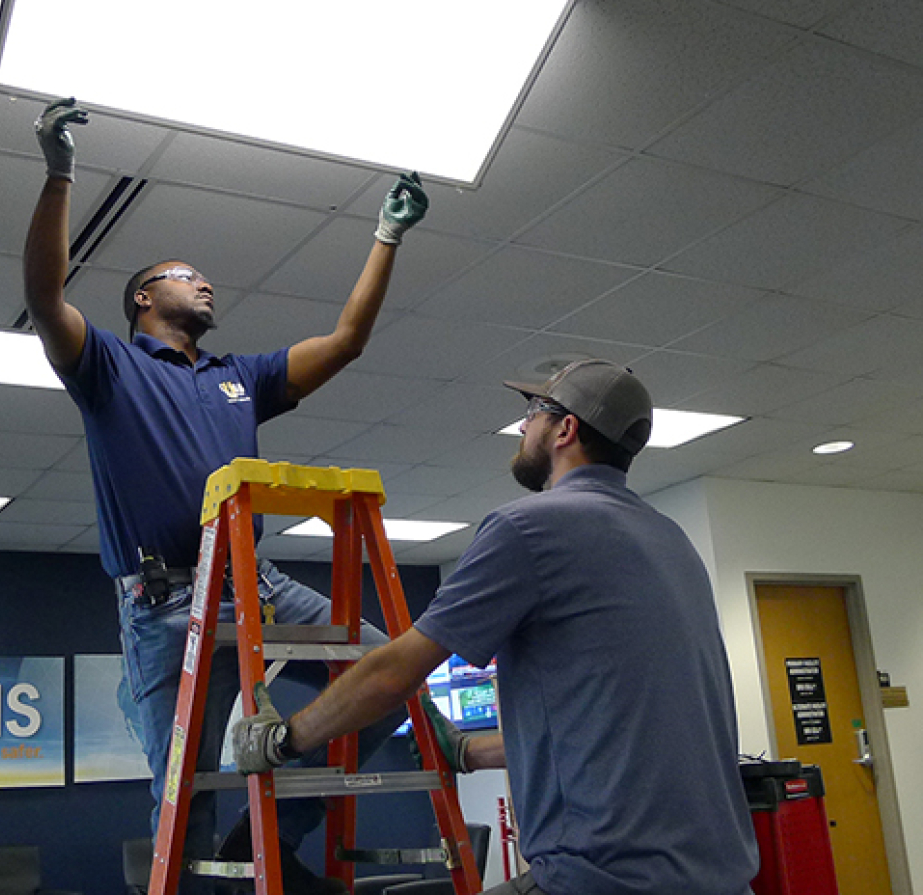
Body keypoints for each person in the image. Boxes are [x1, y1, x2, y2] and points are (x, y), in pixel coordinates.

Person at [23, 98, 428, 894]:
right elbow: (43, 298)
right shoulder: (109, 368)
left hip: (258, 585)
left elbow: (345, 342)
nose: (204, 282)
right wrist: (60, 175)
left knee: (389, 676)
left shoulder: (239, 377)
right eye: (184, 276)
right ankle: (218, 856)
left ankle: (263, 839)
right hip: (164, 602)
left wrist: (387, 235)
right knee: (183, 797)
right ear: (142, 299)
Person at [235, 360, 760, 895]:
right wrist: (468, 752)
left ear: (565, 429)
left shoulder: (530, 528)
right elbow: (619, 727)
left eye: (532, 413)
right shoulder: (672, 540)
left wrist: (285, 738)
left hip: (603, 879)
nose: (521, 427)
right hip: (724, 878)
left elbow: (394, 675)